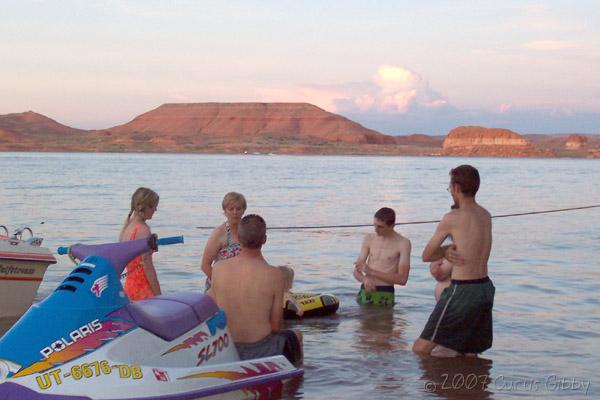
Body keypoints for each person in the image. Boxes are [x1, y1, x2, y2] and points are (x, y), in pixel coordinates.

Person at [413, 164, 495, 357]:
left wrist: (445, 250)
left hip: (462, 290)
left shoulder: (452, 217)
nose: (450, 192)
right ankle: (470, 386)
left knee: (420, 349)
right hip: (484, 288)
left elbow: (427, 255)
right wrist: (448, 250)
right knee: (469, 351)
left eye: (450, 187)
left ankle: (430, 386)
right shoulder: (486, 215)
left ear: (457, 188)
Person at [210, 214, 303, 366]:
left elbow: (214, 309)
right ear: (264, 239)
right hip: (261, 348)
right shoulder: (275, 275)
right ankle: (293, 381)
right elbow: (275, 326)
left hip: (228, 347)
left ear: (238, 238)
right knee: (296, 335)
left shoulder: (218, 268)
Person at [353, 207, 411, 306]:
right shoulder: (369, 238)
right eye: (374, 225)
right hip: (365, 290)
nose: (376, 229)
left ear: (392, 226)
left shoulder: (403, 243)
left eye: (380, 227)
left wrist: (372, 272)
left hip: (385, 292)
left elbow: (402, 279)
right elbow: (356, 270)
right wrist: (364, 279)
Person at [119, 187, 161, 301]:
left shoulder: (127, 227)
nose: (155, 209)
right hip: (144, 288)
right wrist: (159, 296)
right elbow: (147, 266)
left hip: (129, 286)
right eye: (152, 206)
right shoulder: (143, 230)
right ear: (140, 206)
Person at [201, 192, 246, 291]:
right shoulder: (219, 233)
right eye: (231, 209)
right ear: (225, 211)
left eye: (238, 209)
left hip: (242, 284)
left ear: (243, 210)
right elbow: (205, 265)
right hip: (220, 285)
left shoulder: (247, 231)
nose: (235, 212)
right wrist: (221, 284)